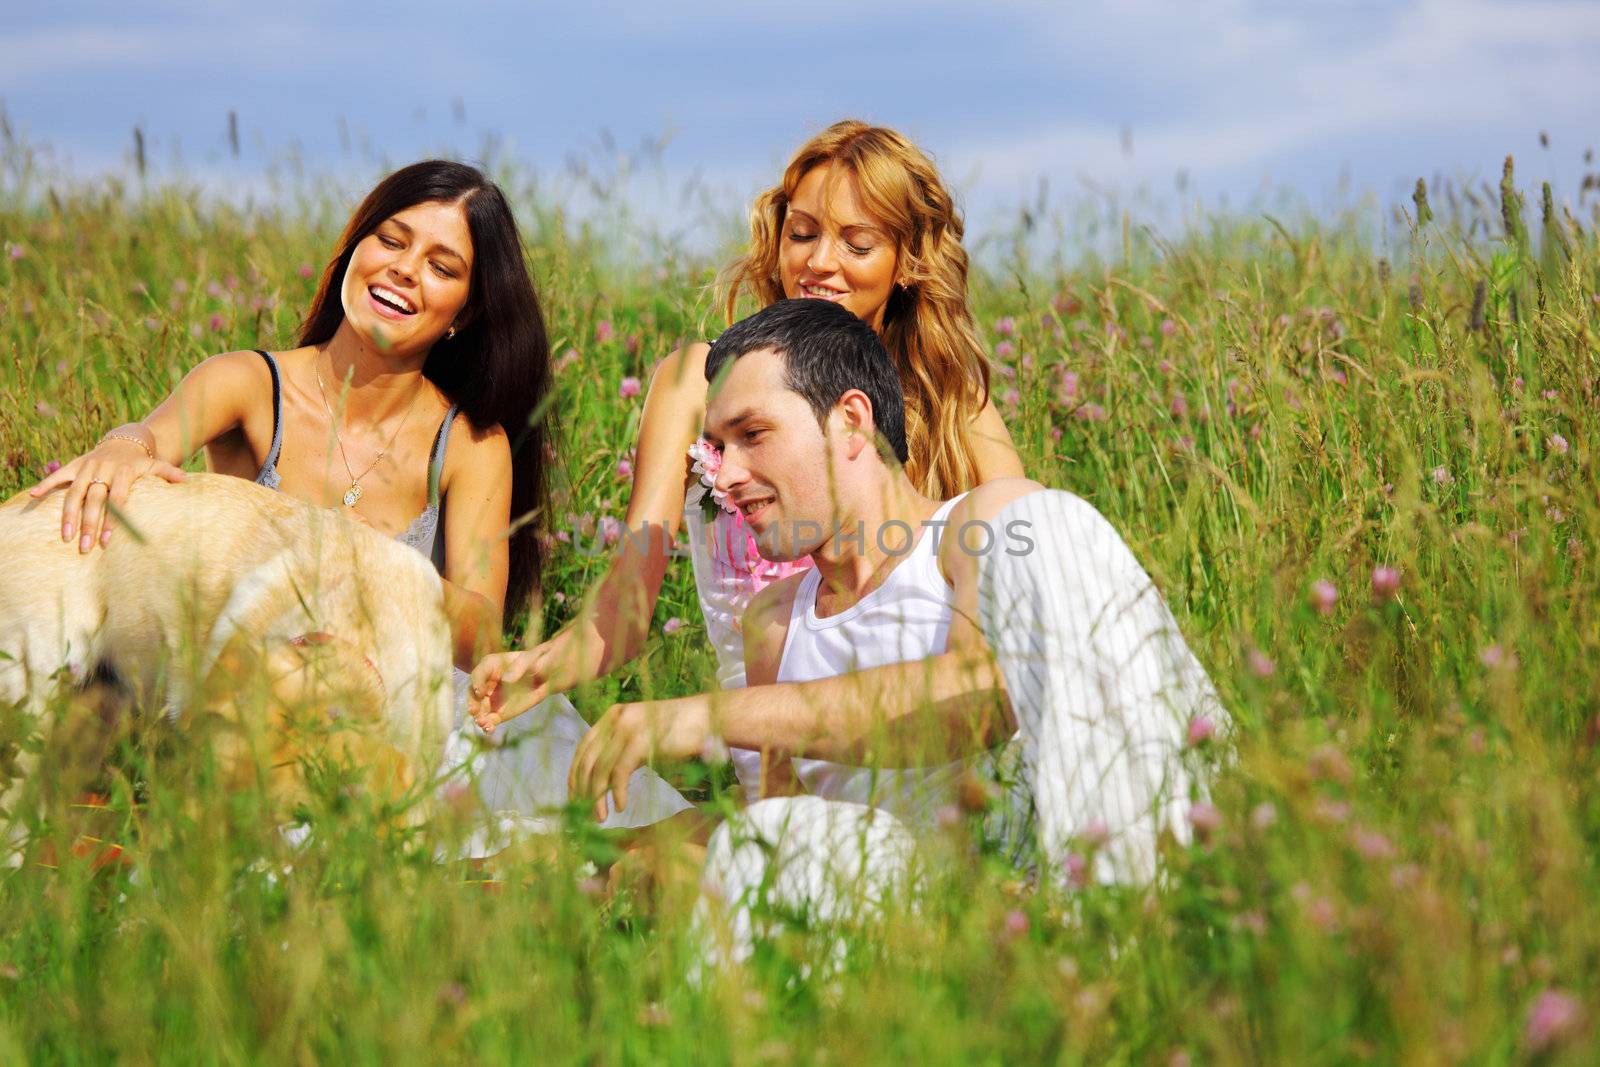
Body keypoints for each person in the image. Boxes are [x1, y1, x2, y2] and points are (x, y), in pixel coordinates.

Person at [525, 299, 1226, 965]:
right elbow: (780, 842)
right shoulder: (771, 624)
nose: (726, 476)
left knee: (1052, 525)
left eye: (752, 435)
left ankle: (1129, 939)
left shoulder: (983, 527)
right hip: (915, 925)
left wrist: (705, 715)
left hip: (1050, 878)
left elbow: (982, 698)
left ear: (852, 422)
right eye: (715, 447)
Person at [29, 159, 689, 836]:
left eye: (442, 265)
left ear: (467, 310)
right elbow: (150, 440)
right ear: (353, 247)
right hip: (253, 712)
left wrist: (362, 560)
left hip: (413, 716)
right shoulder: (250, 385)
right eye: (392, 240)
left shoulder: (469, 442)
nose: (405, 269)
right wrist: (122, 446)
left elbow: (482, 633)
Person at [471, 122, 1026, 794]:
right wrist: (551, 658)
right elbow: (628, 598)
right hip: (760, 746)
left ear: (906, 262)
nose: (821, 261)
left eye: (858, 243)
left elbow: (1021, 600)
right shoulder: (697, 383)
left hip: (921, 736)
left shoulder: (951, 402)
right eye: (803, 233)